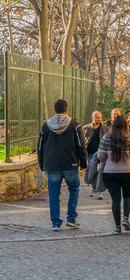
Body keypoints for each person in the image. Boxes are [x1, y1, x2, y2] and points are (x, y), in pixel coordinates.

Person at [37, 99, 88, 231]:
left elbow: (40, 147)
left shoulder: (45, 126)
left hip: (52, 164)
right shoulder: (74, 125)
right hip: (70, 163)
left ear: (54, 109)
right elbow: (81, 145)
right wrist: (83, 163)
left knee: (53, 194)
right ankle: (71, 218)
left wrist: (42, 164)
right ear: (66, 109)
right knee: (74, 189)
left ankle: (55, 223)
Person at [97, 115, 130, 235]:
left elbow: (100, 157)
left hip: (110, 174)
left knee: (115, 200)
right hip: (128, 173)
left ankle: (117, 227)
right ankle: (126, 219)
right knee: (128, 197)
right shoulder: (129, 139)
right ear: (125, 125)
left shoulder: (106, 138)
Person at [82, 111, 110, 199]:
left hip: (102, 154)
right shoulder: (86, 128)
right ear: (92, 118)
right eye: (97, 117)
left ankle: (99, 191)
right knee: (92, 171)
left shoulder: (105, 128)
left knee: (101, 172)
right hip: (90, 154)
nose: (99, 119)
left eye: (100, 117)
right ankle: (94, 189)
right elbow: (82, 142)